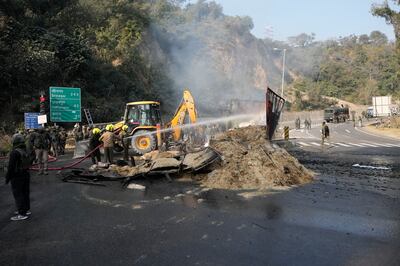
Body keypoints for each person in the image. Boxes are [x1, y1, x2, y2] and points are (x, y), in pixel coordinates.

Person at [5, 134, 31, 221]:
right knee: (25, 193)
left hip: (17, 176)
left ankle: (21, 213)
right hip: (26, 173)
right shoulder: (26, 149)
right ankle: (26, 209)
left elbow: (11, 167)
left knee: (18, 194)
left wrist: (7, 178)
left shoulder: (14, 152)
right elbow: (32, 158)